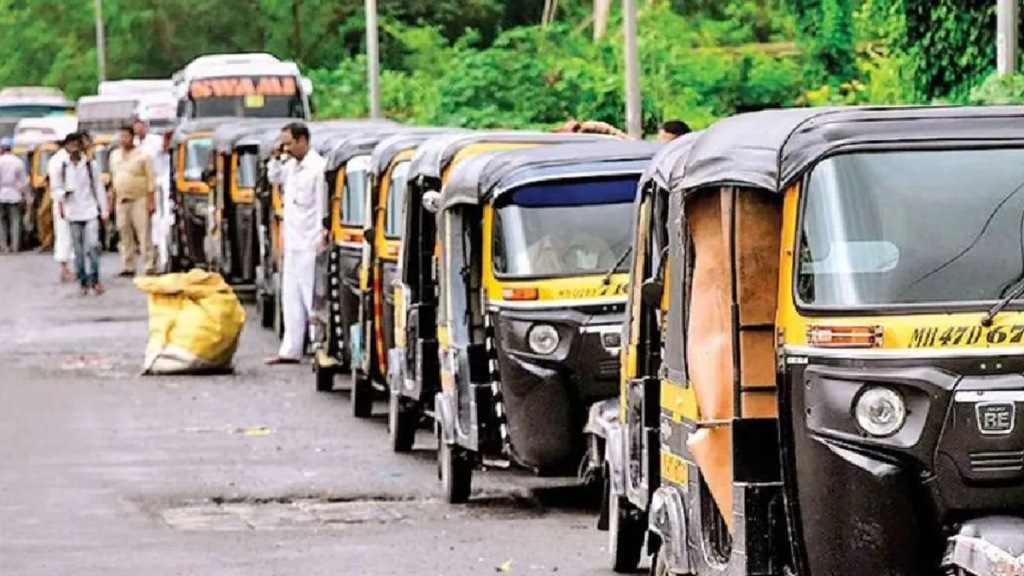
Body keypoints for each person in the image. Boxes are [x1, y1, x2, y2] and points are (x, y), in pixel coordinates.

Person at [264, 122, 328, 365]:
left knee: (312, 297)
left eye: (289, 143)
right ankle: (291, 348)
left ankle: (318, 346)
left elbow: (321, 205)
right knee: (291, 298)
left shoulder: (317, 168)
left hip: (310, 242)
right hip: (292, 241)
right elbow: (273, 177)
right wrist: (274, 156)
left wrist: (321, 236)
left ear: (303, 141)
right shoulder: (290, 167)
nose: (286, 148)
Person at [53, 133, 108, 295]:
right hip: (72, 211)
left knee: (93, 245)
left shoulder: (91, 165)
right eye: (70, 145)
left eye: (76, 145)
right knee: (78, 250)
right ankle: (83, 281)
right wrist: (63, 194)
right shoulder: (62, 167)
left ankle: (95, 280)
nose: (73, 148)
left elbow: (98, 188)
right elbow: (56, 189)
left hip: (90, 210)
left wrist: (104, 210)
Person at [108, 124, 156, 277]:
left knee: (143, 232)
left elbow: (151, 179)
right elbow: (112, 177)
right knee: (124, 232)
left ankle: (149, 264)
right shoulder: (114, 155)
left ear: (132, 137)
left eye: (126, 136)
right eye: (121, 136)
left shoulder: (143, 155)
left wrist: (151, 200)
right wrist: (111, 199)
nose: (123, 139)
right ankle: (128, 265)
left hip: (140, 198)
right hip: (121, 199)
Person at [525, 223, 616, 276]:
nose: (561, 222)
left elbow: (614, 276)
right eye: (555, 216)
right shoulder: (532, 254)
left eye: (566, 214)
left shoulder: (597, 246)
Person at [46, 134, 74, 281]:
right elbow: (55, 185)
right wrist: (62, 198)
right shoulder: (58, 160)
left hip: (74, 201)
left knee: (71, 235)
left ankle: (70, 266)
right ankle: (65, 267)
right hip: (63, 200)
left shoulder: (72, 159)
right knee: (64, 233)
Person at [0, 137, 29, 253]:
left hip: (1, 194)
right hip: (15, 194)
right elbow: (23, 181)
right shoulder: (18, 162)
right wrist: (26, 195)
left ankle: (3, 245)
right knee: (15, 221)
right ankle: (15, 245)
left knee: (2, 221)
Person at [151, 130, 173, 271]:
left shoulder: (176, 157)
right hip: (159, 199)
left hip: (172, 202)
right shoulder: (156, 157)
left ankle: (166, 261)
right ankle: (161, 260)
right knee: (159, 227)